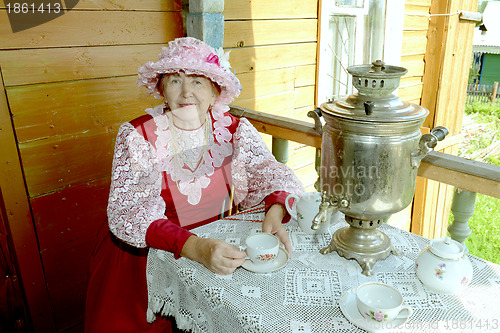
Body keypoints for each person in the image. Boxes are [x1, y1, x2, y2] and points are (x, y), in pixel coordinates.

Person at [84, 37, 304, 332]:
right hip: (149, 260)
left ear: (215, 92)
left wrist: (276, 210)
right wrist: (196, 248)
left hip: (220, 251)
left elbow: (271, 172)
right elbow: (133, 212)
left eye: (198, 81)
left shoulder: (235, 130)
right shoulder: (137, 136)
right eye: (175, 80)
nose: (186, 92)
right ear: (162, 89)